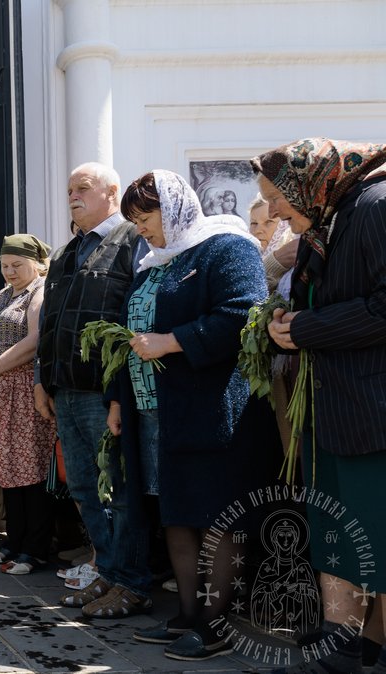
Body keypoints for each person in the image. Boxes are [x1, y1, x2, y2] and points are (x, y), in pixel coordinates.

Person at [109, 170, 271, 661]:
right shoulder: (154, 263)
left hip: (212, 407)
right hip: (157, 411)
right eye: (134, 221)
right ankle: (187, 614)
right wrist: (119, 398)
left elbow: (246, 311)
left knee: (217, 517)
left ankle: (217, 623)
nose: (141, 229)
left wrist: (174, 341)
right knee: (178, 516)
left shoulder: (225, 247)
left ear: (176, 207)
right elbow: (130, 334)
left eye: (146, 217)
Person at [258, 138, 386, 674]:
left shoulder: (376, 207)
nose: (278, 213)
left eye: (281, 201)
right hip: (327, 405)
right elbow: (313, 293)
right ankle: (343, 643)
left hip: (370, 408)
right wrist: (284, 319)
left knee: (375, 536)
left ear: (311, 183)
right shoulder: (329, 213)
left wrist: (306, 328)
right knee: (336, 530)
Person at [35, 162, 152, 618]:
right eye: (69, 190)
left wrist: (119, 394)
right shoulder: (65, 253)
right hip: (65, 390)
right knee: (83, 486)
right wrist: (43, 381)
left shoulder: (132, 241)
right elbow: (49, 323)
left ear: (112, 192)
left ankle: (133, 581)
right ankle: (109, 570)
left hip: (105, 392)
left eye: (83, 188)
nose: (73, 196)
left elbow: (133, 320)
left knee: (117, 490)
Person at [0, 234, 57, 575]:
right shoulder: (4, 294)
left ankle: (35, 548)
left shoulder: (40, 291)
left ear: (36, 263)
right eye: (5, 265)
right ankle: (13, 541)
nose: (9, 271)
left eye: (17, 265)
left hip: (22, 389)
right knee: (7, 468)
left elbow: (35, 341)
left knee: (30, 468)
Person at [249, 193, 298, 291]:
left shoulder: (298, 258)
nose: (258, 230)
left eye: (268, 222)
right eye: (254, 223)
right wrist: (274, 263)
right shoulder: (245, 261)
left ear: (284, 226)